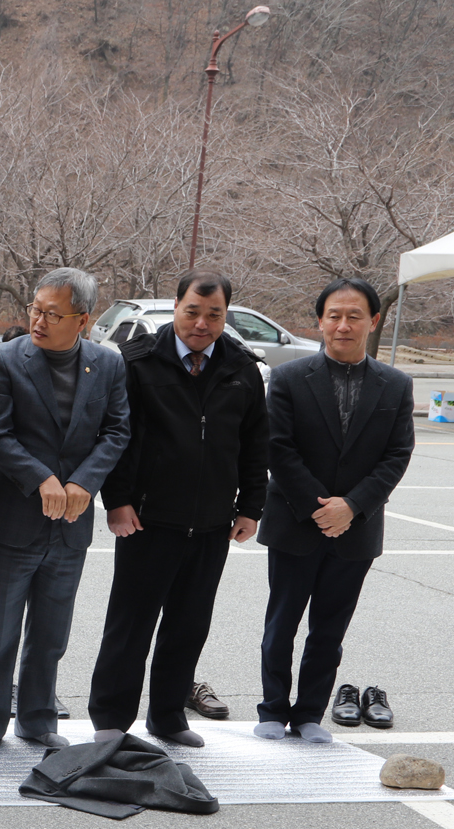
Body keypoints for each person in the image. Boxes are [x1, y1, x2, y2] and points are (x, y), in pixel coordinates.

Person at [87, 271, 266, 748]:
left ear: (226, 314)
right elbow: (117, 437)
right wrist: (118, 501)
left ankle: (167, 716)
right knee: (130, 624)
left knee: (188, 625)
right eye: (193, 311)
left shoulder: (242, 368)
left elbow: (254, 444)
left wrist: (251, 506)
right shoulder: (138, 362)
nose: (202, 323)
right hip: (147, 519)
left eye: (214, 314)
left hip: (211, 523)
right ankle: (110, 719)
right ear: (176, 306)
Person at [0, 267, 129, 749]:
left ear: (83, 320)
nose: (39, 320)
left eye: (53, 314)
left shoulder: (108, 364)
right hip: (12, 515)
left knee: (51, 632)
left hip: (72, 521)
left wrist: (83, 482)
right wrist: (43, 478)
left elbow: (118, 431)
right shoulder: (5, 359)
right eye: (36, 310)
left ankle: (37, 720)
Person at [254, 277, 415, 743]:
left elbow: (397, 454)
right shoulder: (287, 377)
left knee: (329, 629)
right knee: (280, 624)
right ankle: (271, 709)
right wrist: (318, 507)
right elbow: (278, 450)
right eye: (334, 316)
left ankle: (309, 715)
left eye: (354, 316)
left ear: (373, 321)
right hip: (294, 522)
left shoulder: (395, 384)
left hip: (357, 528)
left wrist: (353, 506)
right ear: (320, 321)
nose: (343, 326)